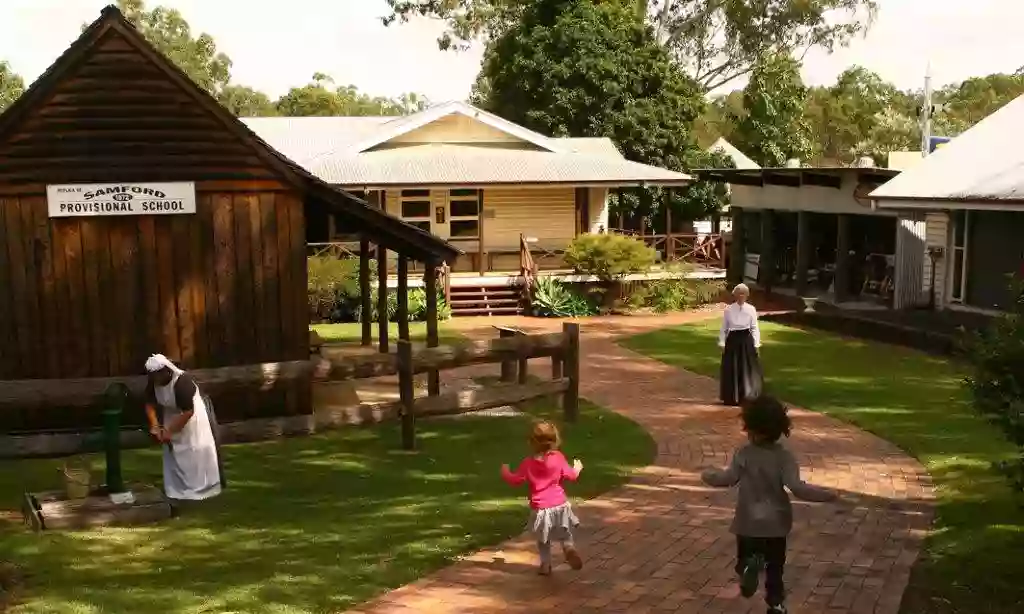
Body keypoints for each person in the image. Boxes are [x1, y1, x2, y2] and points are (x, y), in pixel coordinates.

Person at [701, 396, 836, 614]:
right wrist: (826, 495)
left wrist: (708, 475)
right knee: (775, 567)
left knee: (744, 556)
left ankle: (747, 568)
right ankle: (776, 603)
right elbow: (797, 487)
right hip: (775, 523)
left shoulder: (743, 453)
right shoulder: (784, 458)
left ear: (752, 428)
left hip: (747, 521)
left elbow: (729, 478)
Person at [501, 420, 584, 575]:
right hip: (560, 505)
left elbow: (515, 480)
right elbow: (571, 476)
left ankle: (545, 565)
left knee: (543, 538)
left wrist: (505, 471)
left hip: (540, 508)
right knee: (565, 533)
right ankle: (569, 548)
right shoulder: (558, 458)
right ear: (554, 440)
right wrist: (577, 468)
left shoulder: (528, 463)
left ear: (532, 442)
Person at [144, 354, 224, 501]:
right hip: (171, 414)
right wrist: (155, 425)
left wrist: (169, 431)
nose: (155, 379)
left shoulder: (182, 382)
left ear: (166, 371)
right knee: (174, 453)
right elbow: (149, 404)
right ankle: (177, 489)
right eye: (153, 376)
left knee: (195, 449)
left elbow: (188, 411)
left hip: (192, 417)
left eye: (157, 375)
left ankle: (202, 488)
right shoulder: (153, 383)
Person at [719, 283, 764, 406]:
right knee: (732, 367)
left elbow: (755, 328)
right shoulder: (729, 309)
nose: (741, 296)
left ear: (747, 295)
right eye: (739, 293)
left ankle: (748, 396)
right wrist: (722, 342)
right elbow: (724, 328)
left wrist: (756, 344)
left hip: (746, 339)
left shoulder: (751, 309)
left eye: (743, 293)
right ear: (735, 295)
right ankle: (732, 397)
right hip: (733, 339)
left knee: (747, 368)